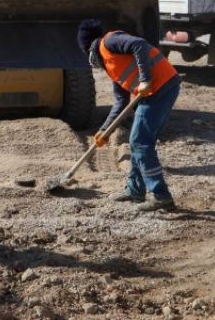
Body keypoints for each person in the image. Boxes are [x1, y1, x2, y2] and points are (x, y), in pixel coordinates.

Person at [77, 19, 180, 212]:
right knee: (137, 142)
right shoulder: (111, 66)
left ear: (89, 48)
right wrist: (104, 131)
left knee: (140, 141)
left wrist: (145, 79)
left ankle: (161, 196)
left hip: (162, 86)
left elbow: (138, 44)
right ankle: (135, 190)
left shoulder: (110, 41)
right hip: (153, 93)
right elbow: (120, 103)